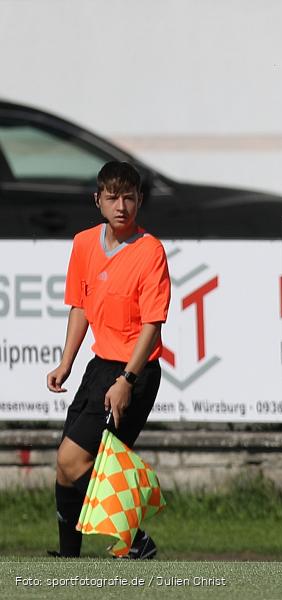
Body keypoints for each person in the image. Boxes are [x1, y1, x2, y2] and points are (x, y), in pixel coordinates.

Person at [47, 161, 171, 559]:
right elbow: (80, 306)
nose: (122, 205)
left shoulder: (150, 251)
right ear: (98, 200)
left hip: (134, 371)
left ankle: (136, 541)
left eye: (130, 197)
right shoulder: (84, 244)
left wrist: (127, 381)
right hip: (99, 366)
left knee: (76, 459)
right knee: (66, 467)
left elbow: (152, 325)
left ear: (139, 200)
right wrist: (66, 362)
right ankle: (69, 558)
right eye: (113, 197)